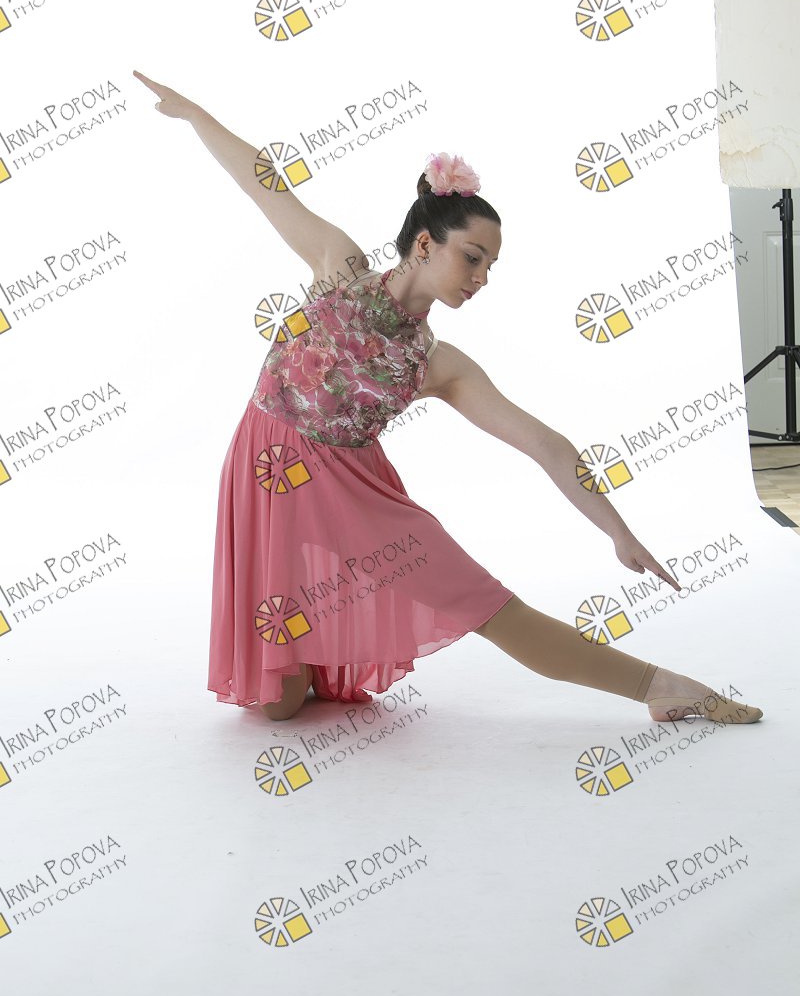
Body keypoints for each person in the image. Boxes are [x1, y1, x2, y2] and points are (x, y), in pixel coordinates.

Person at [132, 69, 763, 729]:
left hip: (352, 495)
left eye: (490, 265)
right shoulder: (338, 268)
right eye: (473, 257)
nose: (482, 277)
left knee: (487, 606)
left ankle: (666, 687)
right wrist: (195, 114)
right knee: (277, 707)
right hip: (262, 469)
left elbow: (545, 444)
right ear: (425, 243)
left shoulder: (438, 365)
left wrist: (617, 531)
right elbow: (265, 182)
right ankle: (323, 635)